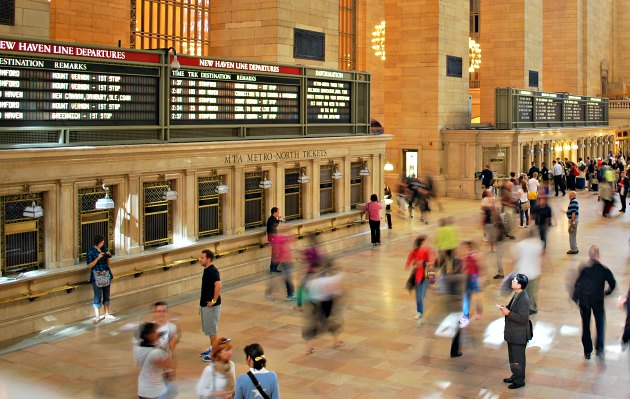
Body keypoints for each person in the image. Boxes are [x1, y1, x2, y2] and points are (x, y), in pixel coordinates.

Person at [572, 246, 616, 360]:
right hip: (597, 301)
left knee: (586, 325)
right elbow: (613, 283)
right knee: (600, 324)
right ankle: (599, 349)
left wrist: (575, 298)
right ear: (598, 255)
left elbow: (577, 284)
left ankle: (587, 351)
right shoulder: (603, 269)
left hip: (585, 302)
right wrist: (607, 293)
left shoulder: (583, 268)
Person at [302, 259, 345, 353]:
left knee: (313, 326)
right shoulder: (333, 278)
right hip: (328, 304)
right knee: (334, 323)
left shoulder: (316, 279)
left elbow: (307, 288)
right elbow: (337, 290)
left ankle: (309, 347)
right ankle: (336, 342)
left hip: (316, 304)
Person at [498, 274, 532, 390]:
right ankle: (515, 375)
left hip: (519, 334)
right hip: (513, 333)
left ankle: (519, 380)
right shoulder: (517, 294)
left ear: (519, 285)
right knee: (513, 357)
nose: (512, 281)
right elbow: (513, 308)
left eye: (514, 281)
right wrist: (506, 307)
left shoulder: (524, 299)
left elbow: (523, 319)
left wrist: (508, 313)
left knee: (518, 358)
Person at [134, 322, 176, 399]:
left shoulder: (137, 348)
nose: (158, 333)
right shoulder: (158, 353)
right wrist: (171, 349)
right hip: (155, 392)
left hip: (142, 390)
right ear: (148, 335)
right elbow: (170, 373)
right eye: (155, 331)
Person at [512, 230, 544, 314]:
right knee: (532, 291)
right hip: (534, 272)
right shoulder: (539, 244)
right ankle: (532, 307)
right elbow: (541, 255)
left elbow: (514, 259)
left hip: (522, 272)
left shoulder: (520, 245)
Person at [86, 234, 116, 324]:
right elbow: (89, 265)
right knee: (97, 296)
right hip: (97, 276)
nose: (102, 244)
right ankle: (97, 316)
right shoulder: (91, 252)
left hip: (106, 274)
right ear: (97, 242)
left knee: (107, 295)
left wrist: (108, 256)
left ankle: (107, 313)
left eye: (103, 243)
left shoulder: (104, 249)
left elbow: (109, 263)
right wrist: (98, 258)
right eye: (101, 243)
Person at [199, 249, 222, 362]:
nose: (200, 259)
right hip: (206, 305)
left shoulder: (213, 271)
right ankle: (212, 348)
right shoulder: (207, 270)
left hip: (211, 307)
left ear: (209, 259)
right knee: (209, 329)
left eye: (202, 258)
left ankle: (215, 354)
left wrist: (213, 301)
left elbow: (218, 286)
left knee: (212, 330)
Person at [405, 235, 435, 319]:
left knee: (423, 294)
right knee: (419, 296)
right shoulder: (415, 251)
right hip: (418, 276)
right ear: (421, 243)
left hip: (426, 274)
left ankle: (429, 286)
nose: (427, 243)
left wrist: (424, 263)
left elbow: (432, 261)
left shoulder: (429, 250)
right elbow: (410, 257)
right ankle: (419, 311)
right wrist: (411, 264)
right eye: (425, 242)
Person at [265, 232, 296, 301]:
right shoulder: (280, 241)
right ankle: (290, 294)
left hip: (285, 262)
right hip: (285, 262)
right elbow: (278, 252)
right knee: (286, 278)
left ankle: (289, 293)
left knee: (284, 278)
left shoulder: (283, 240)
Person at [266, 208, 282, 273]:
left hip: (273, 238)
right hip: (273, 239)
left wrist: (278, 220)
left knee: (275, 253)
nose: (278, 213)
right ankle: (273, 268)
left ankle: (273, 268)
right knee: (278, 253)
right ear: (274, 213)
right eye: (278, 212)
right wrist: (279, 220)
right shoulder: (271, 219)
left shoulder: (273, 219)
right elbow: (274, 226)